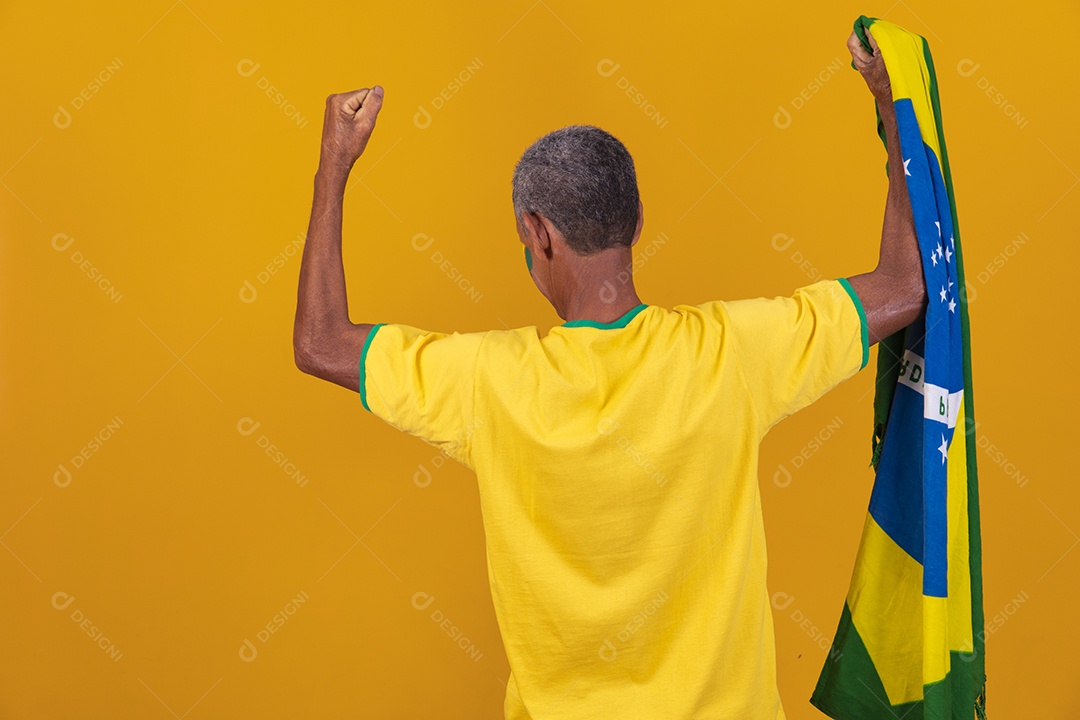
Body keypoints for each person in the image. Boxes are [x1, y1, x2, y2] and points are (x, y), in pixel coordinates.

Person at [293, 27, 925, 720]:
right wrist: (895, 110)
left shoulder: (487, 382)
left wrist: (334, 166)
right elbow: (903, 287)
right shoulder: (732, 353)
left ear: (538, 233)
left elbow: (319, 341)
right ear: (638, 220)